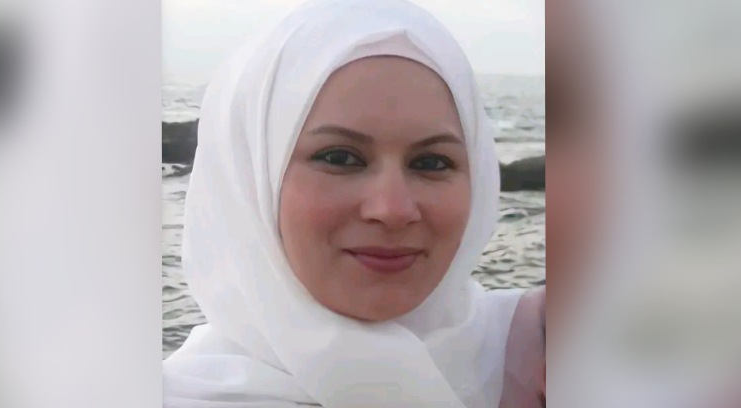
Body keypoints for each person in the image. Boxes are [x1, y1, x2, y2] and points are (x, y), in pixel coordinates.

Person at [162, 0, 545, 407]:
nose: (393, 209)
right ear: (251, 174)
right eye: (340, 158)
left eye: (431, 163)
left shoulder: (535, 350)